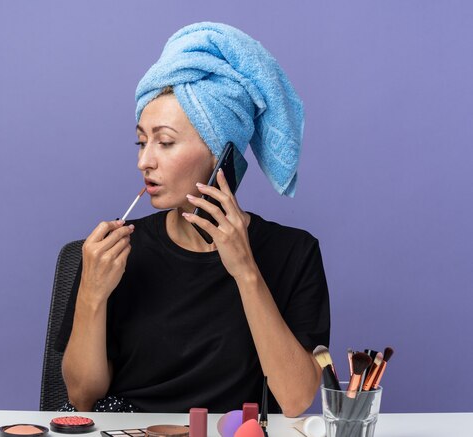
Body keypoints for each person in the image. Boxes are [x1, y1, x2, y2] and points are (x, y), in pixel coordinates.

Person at [56, 22, 329, 417]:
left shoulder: (295, 253)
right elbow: (82, 398)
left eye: (164, 142)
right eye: (141, 141)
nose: (143, 161)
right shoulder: (115, 253)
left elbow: (295, 400)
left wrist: (245, 271)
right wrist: (91, 295)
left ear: (221, 154)